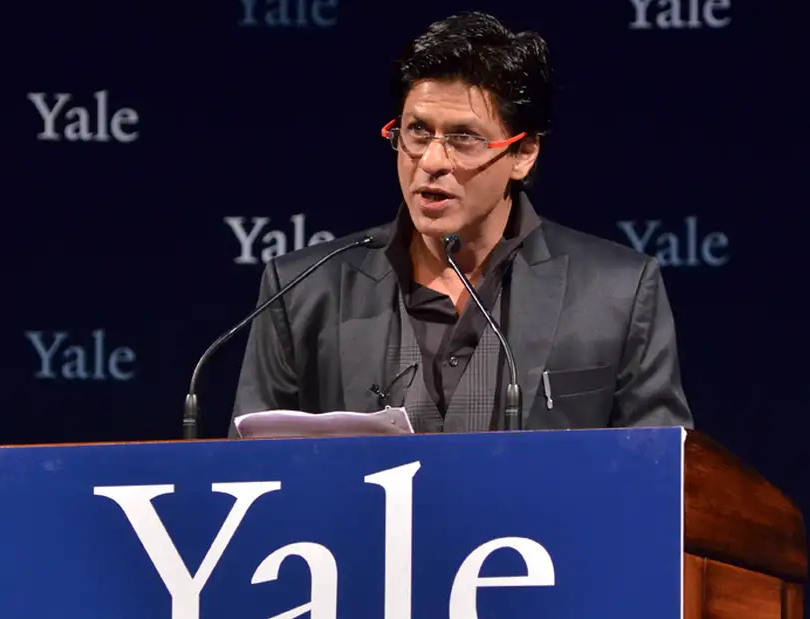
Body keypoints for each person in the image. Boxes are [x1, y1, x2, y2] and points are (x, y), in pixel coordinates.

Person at [230, 11, 693, 434]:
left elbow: (662, 474)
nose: (432, 161)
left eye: (464, 137)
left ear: (523, 153)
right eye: (417, 131)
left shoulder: (617, 292)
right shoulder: (304, 291)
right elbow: (248, 475)